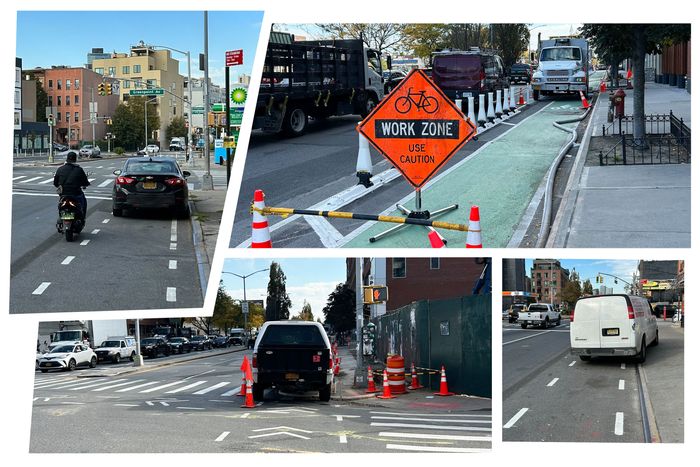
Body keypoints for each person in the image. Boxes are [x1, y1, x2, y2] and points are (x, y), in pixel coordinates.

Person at [53, 151, 90, 222]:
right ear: (75, 159)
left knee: (60, 204)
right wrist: (86, 184)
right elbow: (85, 182)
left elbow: (55, 183)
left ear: (67, 159)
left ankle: (62, 217)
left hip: (64, 194)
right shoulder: (79, 169)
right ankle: (82, 218)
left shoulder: (60, 169)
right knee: (83, 202)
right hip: (76, 194)